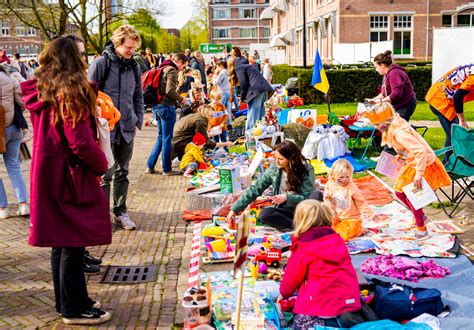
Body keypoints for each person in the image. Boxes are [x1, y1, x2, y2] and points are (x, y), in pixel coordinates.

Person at [20, 35, 111, 325]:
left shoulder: (46, 88)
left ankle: (69, 301)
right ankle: (74, 308)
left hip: (49, 172)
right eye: (82, 54)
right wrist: (100, 163)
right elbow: (80, 142)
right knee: (72, 240)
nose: (86, 59)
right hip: (69, 174)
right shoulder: (71, 92)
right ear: (73, 58)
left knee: (62, 241)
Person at [365, 102, 451, 239]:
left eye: (377, 124)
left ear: (386, 120)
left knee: (412, 195)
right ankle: (421, 216)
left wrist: (419, 174)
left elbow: (421, 151)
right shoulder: (394, 125)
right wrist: (402, 155)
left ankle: (421, 230)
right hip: (412, 162)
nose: (376, 128)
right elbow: (408, 147)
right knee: (399, 192)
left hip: (422, 164)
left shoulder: (399, 133)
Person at [89, 25, 144, 230]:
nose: (132, 51)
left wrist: (137, 118)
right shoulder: (101, 64)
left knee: (123, 172)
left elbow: (138, 95)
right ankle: (101, 215)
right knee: (106, 173)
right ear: (117, 43)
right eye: (129, 47)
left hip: (127, 127)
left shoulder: (135, 66)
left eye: (134, 47)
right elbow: (89, 94)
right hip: (106, 128)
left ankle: (120, 211)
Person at [279, 200, 361, 328]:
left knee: (295, 322)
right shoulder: (337, 239)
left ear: (300, 220)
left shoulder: (303, 246)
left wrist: (282, 295)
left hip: (322, 309)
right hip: (349, 303)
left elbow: (289, 283)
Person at [225, 141, 315, 231]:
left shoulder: (305, 170)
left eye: (280, 159)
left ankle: (300, 227)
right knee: (265, 214)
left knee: (317, 196)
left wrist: (287, 198)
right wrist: (234, 209)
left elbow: (308, 198)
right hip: (283, 211)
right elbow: (255, 188)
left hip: (302, 210)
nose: (276, 161)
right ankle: (296, 227)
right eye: (275, 158)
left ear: (290, 159)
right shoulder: (275, 168)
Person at [145, 53, 188, 176]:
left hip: (156, 106)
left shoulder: (162, 67)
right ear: (179, 61)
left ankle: (150, 166)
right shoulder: (172, 70)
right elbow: (169, 90)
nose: (183, 69)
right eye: (184, 66)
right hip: (166, 107)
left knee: (160, 137)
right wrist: (181, 99)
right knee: (167, 139)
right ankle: (167, 169)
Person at [425, 64, 473, 163]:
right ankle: (448, 166)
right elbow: (458, 96)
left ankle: (449, 164)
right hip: (440, 101)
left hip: (445, 98)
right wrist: (461, 119)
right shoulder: (473, 78)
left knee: (455, 133)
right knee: (453, 134)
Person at [324, 159, 381, 241]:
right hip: (337, 217)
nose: (344, 179)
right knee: (326, 232)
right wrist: (328, 202)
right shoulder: (330, 183)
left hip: (352, 219)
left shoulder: (351, 188)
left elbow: (361, 203)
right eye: (341, 177)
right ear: (333, 175)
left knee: (340, 237)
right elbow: (327, 197)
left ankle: (358, 229)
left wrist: (371, 215)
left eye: (347, 177)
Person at [0, 59, 29, 219]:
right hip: (13, 128)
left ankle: (3, 208)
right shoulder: (9, 76)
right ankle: (23, 204)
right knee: (14, 167)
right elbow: (21, 101)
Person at [366, 50, 417, 122]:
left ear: (382, 65)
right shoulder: (386, 74)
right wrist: (373, 100)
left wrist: (380, 101)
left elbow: (396, 94)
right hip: (399, 104)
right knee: (392, 124)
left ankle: (411, 132)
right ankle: (411, 131)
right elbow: (384, 93)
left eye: (376, 67)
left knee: (397, 125)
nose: (376, 70)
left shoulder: (394, 73)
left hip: (405, 104)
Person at [228, 55, 273, 131]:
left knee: (253, 116)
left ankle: (250, 137)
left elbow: (244, 84)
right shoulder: (247, 66)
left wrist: (242, 98)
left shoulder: (239, 68)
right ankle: (261, 135)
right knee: (260, 116)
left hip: (256, 91)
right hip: (263, 89)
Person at [214, 60, 232, 127]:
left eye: (217, 67)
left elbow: (215, 83)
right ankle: (228, 124)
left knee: (220, 109)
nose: (217, 68)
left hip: (222, 92)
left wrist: (215, 74)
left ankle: (221, 124)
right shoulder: (227, 72)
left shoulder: (222, 73)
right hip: (227, 92)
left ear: (220, 66)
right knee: (227, 110)